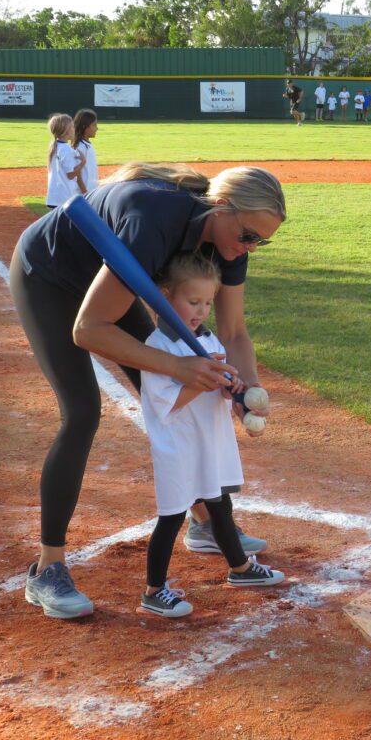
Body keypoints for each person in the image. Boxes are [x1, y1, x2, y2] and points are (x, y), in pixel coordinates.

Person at [11, 163, 285, 619]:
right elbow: (89, 329)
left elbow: (234, 334)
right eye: (248, 234)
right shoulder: (152, 222)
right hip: (51, 278)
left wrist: (247, 388)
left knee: (173, 387)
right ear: (220, 207)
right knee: (83, 412)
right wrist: (179, 366)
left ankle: (202, 523)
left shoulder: (229, 244)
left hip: (111, 280)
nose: (249, 246)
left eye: (261, 240)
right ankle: (47, 568)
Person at [139, 254, 285, 618]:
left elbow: (218, 390)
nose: (201, 310)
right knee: (172, 517)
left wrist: (231, 387)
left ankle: (240, 569)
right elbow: (167, 403)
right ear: (165, 296)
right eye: (192, 302)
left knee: (220, 504)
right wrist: (206, 378)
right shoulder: (158, 348)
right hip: (179, 446)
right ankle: (154, 590)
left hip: (209, 440)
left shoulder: (206, 338)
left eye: (207, 303)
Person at [45, 114, 85, 209]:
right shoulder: (66, 149)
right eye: (72, 127)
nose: (74, 130)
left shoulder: (55, 146)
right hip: (64, 197)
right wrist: (83, 162)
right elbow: (70, 175)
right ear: (66, 131)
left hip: (54, 196)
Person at [72, 109, 99, 195]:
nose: (97, 128)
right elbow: (77, 172)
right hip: (84, 193)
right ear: (85, 127)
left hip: (91, 191)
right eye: (94, 125)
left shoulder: (87, 144)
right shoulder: (80, 146)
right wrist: (85, 192)